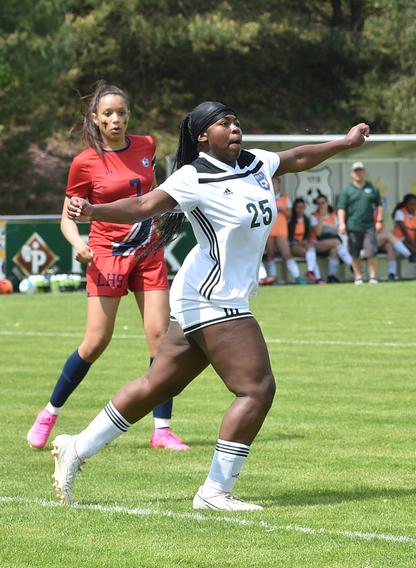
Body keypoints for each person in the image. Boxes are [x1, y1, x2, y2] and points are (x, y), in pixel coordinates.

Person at [52, 100, 369, 510]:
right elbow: (144, 205)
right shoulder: (193, 176)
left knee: (156, 386)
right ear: (203, 136)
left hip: (204, 296)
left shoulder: (255, 163)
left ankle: (75, 449)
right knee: (256, 389)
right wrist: (94, 210)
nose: (235, 127)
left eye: (236, 121)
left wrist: (344, 142)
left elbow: (297, 157)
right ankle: (215, 492)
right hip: (213, 296)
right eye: (224, 123)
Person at [26, 81, 189, 452]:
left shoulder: (147, 145)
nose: (116, 120)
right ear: (96, 120)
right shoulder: (84, 162)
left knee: (161, 340)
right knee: (96, 342)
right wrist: (78, 242)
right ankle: (50, 412)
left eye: (122, 113)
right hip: (107, 255)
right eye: (109, 114)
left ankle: (161, 430)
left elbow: (153, 194)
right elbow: (67, 217)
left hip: (149, 252)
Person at [337, 162, 382, 284]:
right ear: (352, 173)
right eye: (356, 171)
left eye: (360, 170)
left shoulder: (372, 188)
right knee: (354, 253)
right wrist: (341, 223)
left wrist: (379, 220)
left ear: (364, 172)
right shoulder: (347, 191)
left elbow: (379, 205)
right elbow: (341, 208)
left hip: (369, 226)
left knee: (371, 252)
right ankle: (358, 277)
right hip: (352, 226)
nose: (358, 173)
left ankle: (373, 277)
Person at [263, 176, 303, 284]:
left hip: (281, 230)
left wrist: (281, 209)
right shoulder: (265, 196)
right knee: (270, 254)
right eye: (272, 183)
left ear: (279, 185)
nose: (274, 185)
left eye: (276, 183)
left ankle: (298, 278)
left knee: (287, 254)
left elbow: (290, 214)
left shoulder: (285, 198)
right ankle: (273, 278)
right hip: (269, 230)